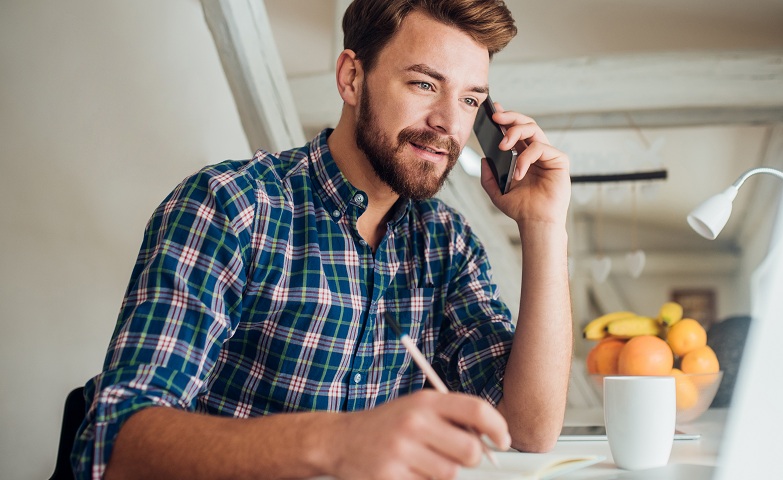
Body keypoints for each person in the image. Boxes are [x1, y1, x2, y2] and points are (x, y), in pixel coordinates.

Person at [72, 0, 572, 478]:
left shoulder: (448, 245)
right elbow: (115, 446)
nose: (448, 122)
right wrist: (337, 442)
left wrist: (544, 226)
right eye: (424, 83)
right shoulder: (231, 205)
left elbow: (527, 430)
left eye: (469, 100)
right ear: (352, 78)